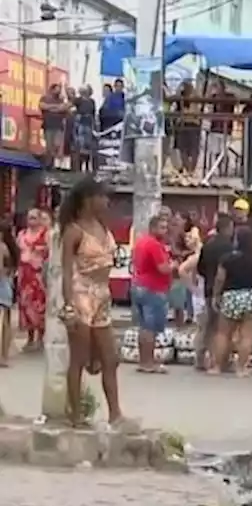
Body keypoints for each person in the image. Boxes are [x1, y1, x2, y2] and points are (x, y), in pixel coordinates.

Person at [57, 178, 127, 428]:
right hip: (81, 294)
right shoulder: (74, 231)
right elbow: (66, 271)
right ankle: (75, 415)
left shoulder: (102, 225)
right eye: (103, 197)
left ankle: (115, 413)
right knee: (78, 359)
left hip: (102, 295)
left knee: (110, 358)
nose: (107, 202)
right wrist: (68, 306)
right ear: (89, 199)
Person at [211, 226, 252, 377]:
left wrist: (216, 295)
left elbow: (220, 278)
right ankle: (241, 368)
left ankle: (217, 366)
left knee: (223, 333)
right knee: (247, 335)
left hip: (231, 295)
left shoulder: (227, 258)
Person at [130, 214, 174, 374]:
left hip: (139, 286)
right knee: (151, 328)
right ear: (153, 228)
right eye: (162, 227)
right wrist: (174, 266)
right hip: (153, 289)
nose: (165, 230)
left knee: (143, 326)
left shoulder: (141, 242)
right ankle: (149, 362)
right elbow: (163, 268)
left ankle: (144, 361)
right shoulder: (154, 245)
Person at [194, 213, 234, 371]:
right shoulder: (230, 247)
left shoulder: (207, 245)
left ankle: (200, 357)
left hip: (208, 288)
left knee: (208, 325)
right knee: (224, 328)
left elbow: (200, 268)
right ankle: (221, 360)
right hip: (225, 290)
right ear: (227, 228)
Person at [16, 208, 50, 352]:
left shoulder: (45, 234)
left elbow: (49, 253)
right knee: (25, 306)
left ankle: (41, 338)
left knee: (39, 306)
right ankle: (29, 338)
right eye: (29, 218)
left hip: (38, 275)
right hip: (24, 275)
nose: (31, 221)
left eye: (34, 218)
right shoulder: (21, 235)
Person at [40, 84, 69, 168]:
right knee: (49, 146)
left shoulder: (61, 100)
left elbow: (63, 108)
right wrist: (55, 107)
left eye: (59, 89)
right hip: (48, 125)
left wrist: (50, 109)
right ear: (52, 90)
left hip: (58, 126)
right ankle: (48, 164)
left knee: (57, 144)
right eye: (57, 89)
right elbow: (42, 106)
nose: (59, 91)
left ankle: (52, 161)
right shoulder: (45, 98)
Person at [0, 218, 16, 366]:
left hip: (3, 285)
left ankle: (3, 355)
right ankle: (3, 355)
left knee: (4, 322)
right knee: (5, 321)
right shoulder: (6, 247)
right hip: (5, 284)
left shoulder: (2, 247)